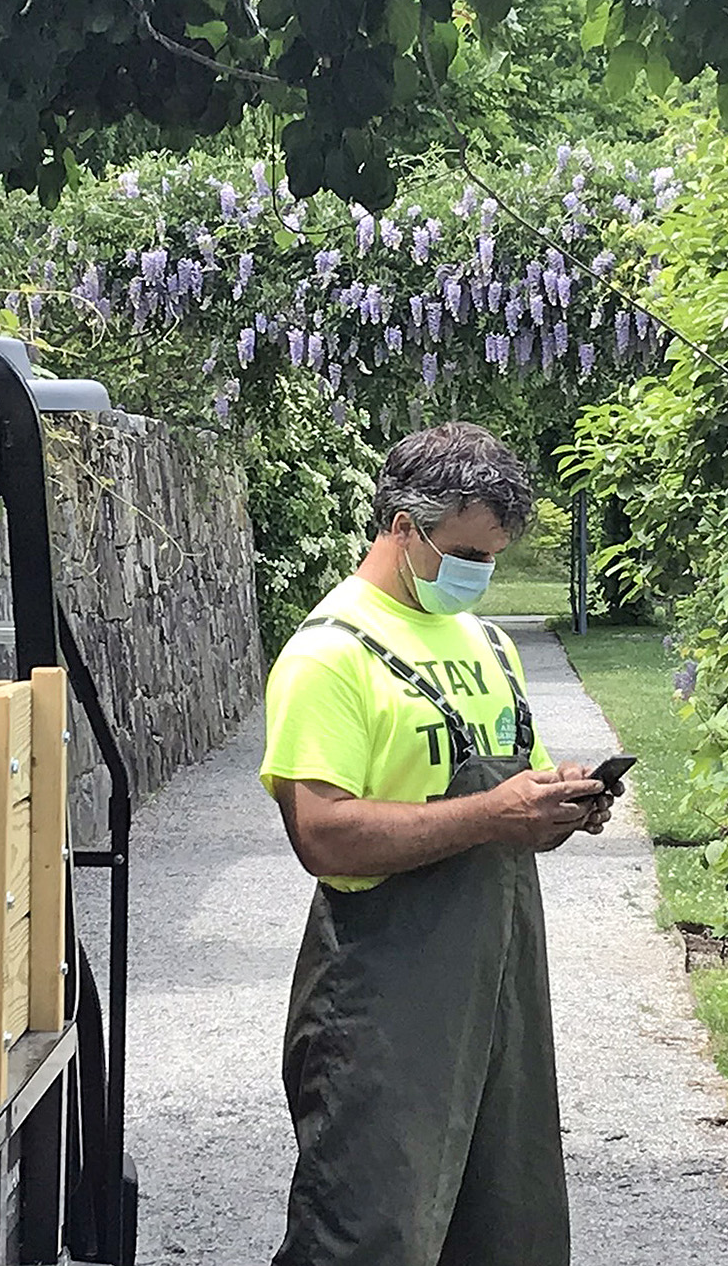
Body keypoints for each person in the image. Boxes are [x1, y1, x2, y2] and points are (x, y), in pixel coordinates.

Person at [259, 421, 620, 1266]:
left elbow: (510, 800)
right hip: (383, 1004)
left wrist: (557, 808)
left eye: (492, 556)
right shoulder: (330, 656)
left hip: (499, 995)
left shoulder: (488, 646)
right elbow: (321, 834)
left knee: (508, 1229)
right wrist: (494, 816)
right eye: (465, 552)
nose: (480, 574)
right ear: (402, 526)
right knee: (368, 1232)